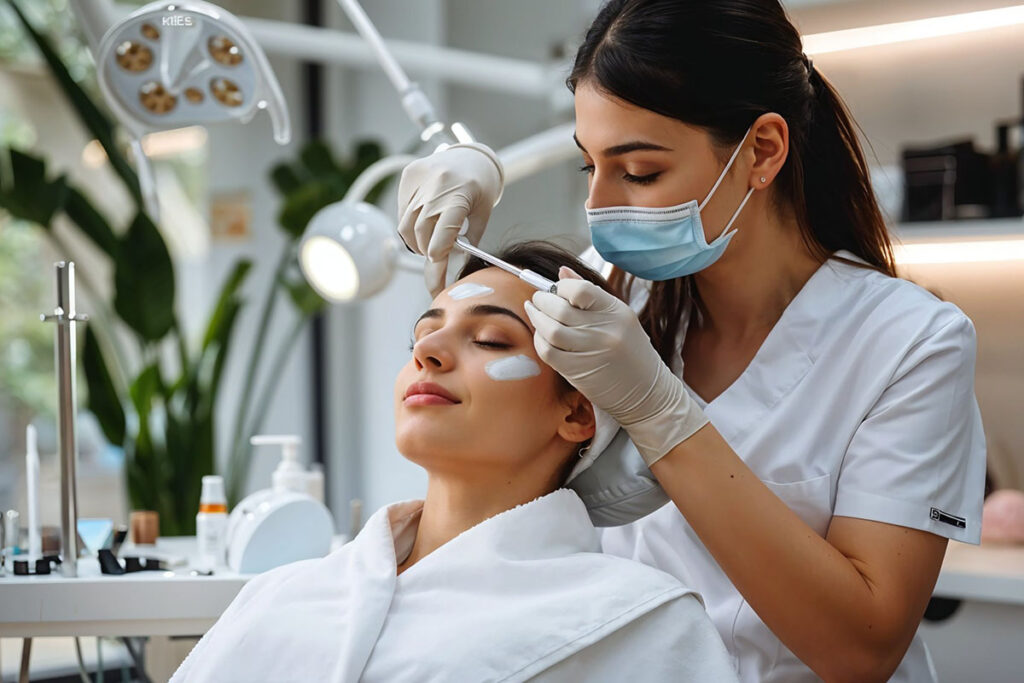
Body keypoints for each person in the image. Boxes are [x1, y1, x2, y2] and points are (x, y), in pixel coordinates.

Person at [395, 1, 987, 681]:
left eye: (639, 171)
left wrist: (660, 414)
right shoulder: (626, 294)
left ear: (761, 150)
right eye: (590, 166)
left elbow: (864, 647)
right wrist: (474, 169)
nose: (600, 207)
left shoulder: (911, 343)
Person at [169, 243, 737, 683]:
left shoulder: (640, 623)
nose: (428, 352)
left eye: (490, 340)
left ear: (578, 414)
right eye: (423, 334)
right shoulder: (285, 594)